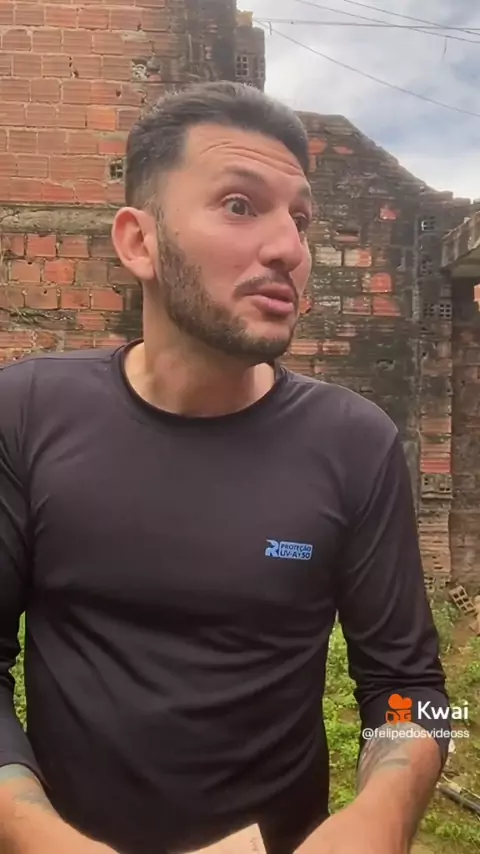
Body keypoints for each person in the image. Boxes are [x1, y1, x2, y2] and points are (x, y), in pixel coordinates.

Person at [0, 80, 451, 854]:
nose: (289, 250)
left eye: (300, 220)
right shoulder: (27, 412)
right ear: (139, 243)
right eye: (240, 205)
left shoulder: (354, 442)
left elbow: (414, 694)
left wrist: (381, 814)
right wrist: (34, 833)